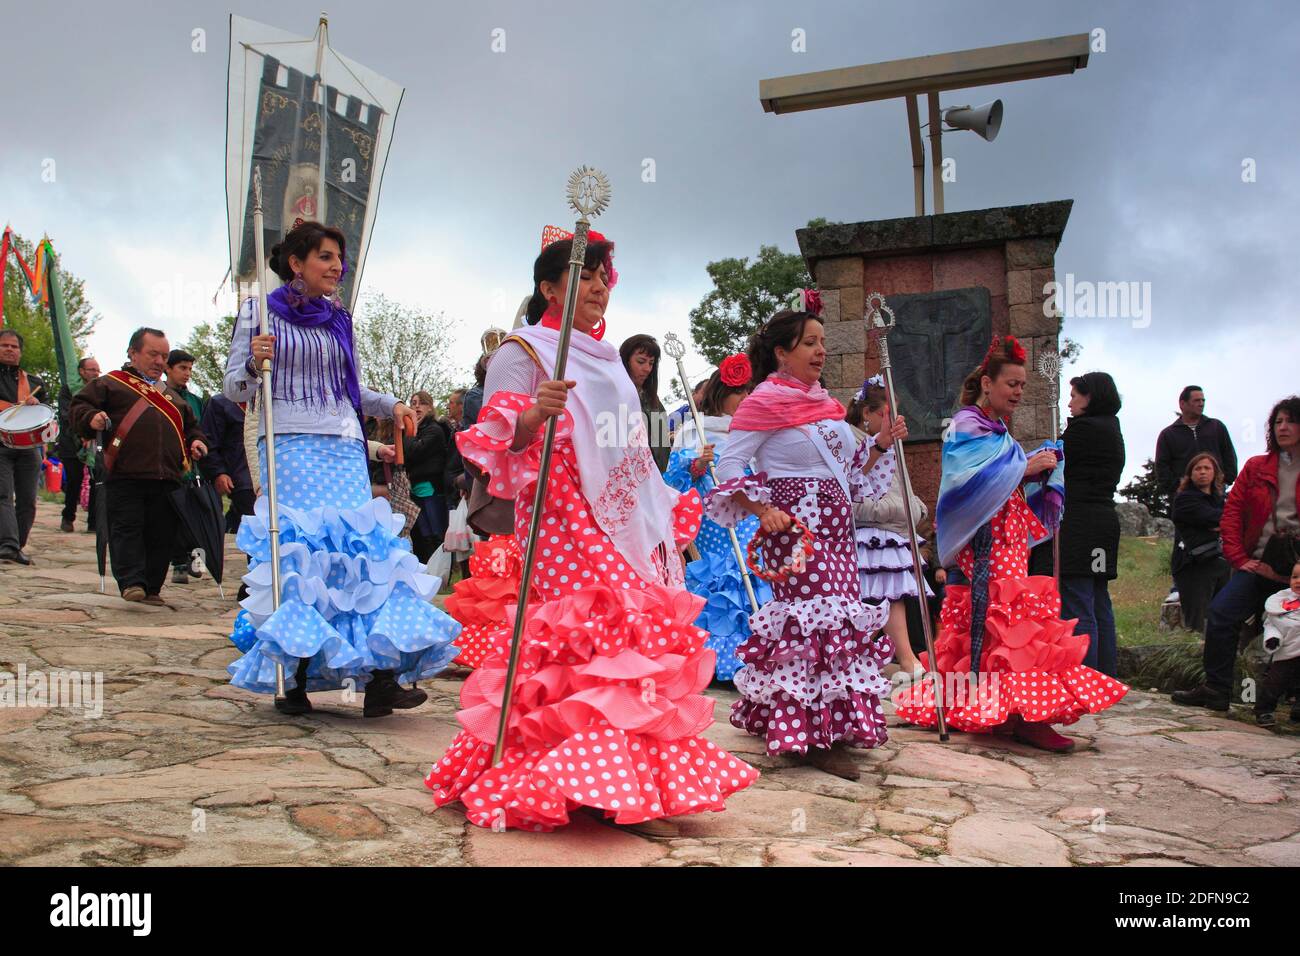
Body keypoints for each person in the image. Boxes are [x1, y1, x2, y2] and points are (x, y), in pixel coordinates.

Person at [425, 231, 757, 833]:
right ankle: (561, 778)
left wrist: (655, 507)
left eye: (606, 277)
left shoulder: (606, 361)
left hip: (615, 515)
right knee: (569, 637)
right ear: (550, 288)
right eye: (588, 276)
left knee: (618, 634)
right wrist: (531, 414)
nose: (600, 287)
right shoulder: (523, 350)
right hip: (554, 511)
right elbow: (493, 442)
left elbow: (627, 449)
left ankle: (618, 783)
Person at [222, 220, 460, 717]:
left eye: (339, 259)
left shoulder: (338, 319)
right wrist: (250, 366)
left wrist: (392, 403)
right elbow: (235, 392)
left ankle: (381, 678)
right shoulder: (259, 314)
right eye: (326, 257)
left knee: (366, 554)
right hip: (287, 439)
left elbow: (351, 390)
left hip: (344, 446)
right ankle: (298, 673)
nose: (337, 267)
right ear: (296, 263)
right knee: (304, 555)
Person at [892, 335, 1128, 750]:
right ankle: (1023, 717)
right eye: (1012, 384)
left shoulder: (995, 429)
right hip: (986, 542)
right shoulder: (966, 425)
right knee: (1007, 621)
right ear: (987, 383)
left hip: (1007, 538)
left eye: (1022, 385)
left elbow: (1000, 476)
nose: (1019, 392)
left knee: (1002, 621)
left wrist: (1035, 470)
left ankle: (993, 707)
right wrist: (1025, 466)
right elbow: (966, 483)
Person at [707, 306, 902, 779]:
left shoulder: (828, 406)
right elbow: (730, 466)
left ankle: (823, 723)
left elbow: (853, 475)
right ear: (781, 352)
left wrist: (879, 443)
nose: (821, 351)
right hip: (795, 529)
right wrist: (762, 509)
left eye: (822, 341)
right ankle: (809, 735)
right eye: (810, 342)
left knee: (835, 625)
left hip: (837, 527)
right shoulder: (762, 403)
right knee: (811, 628)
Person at [1173, 396, 1300, 711]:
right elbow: (1231, 513)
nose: (1282, 427)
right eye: (1277, 421)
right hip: (1255, 566)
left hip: (1296, 573)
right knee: (1221, 613)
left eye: (1290, 421)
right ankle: (1216, 689)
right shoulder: (1256, 467)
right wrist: (1240, 559)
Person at [71, 327, 208, 603]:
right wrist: (91, 418)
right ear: (133, 353)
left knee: (162, 533)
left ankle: (152, 587)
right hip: (125, 473)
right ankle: (132, 582)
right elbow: (79, 406)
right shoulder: (111, 383)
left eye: (164, 356)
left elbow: (192, 428)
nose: (159, 361)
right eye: (153, 354)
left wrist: (196, 441)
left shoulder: (173, 397)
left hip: (169, 476)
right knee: (127, 527)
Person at [664, 356, 771, 682]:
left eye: (750, 393)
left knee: (753, 579)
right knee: (721, 583)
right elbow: (673, 485)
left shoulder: (752, 434)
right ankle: (721, 661)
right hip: (713, 524)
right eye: (740, 393)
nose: (746, 400)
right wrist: (696, 465)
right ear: (721, 392)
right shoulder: (694, 431)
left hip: (750, 521)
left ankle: (759, 657)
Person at [847, 375, 932, 678]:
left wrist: (914, 505)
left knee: (889, 593)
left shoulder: (890, 444)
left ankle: (884, 659)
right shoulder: (853, 439)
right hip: (870, 527)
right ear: (866, 413)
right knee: (877, 595)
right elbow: (853, 478)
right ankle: (897, 659)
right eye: (884, 413)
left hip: (889, 525)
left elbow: (899, 485)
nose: (891, 419)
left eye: (894, 413)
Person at [1057, 371, 1126, 677]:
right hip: (1103, 523)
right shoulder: (1112, 429)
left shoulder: (1082, 431)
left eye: (1074, 395)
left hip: (1080, 523)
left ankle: (1086, 676)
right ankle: (1105, 674)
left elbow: (1054, 459)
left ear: (1091, 396)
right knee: (1099, 600)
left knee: (1079, 601)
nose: (1069, 402)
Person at [0, 329, 49, 565]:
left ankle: (16, 545)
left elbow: (47, 416)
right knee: (3, 495)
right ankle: (8, 545)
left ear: (20, 351)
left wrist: (37, 404)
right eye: (4, 345)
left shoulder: (34, 382)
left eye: (14, 346)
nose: (9, 349)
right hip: (0, 445)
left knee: (28, 499)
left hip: (28, 448)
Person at [1170, 452, 1232, 634]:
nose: (1202, 472)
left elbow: (1228, 521)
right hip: (1193, 567)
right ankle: (1195, 659)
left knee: (1222, 615)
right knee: (1197, 622)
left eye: (1207, 468)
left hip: (1220, 563)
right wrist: (1219, 523)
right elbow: (1216, 519)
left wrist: (1219, 524)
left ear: (1215, 473)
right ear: (1190, 473)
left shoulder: (1219, 499)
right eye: (1198, 468)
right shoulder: (1184, 499)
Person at [1156, 385, 1238, 509]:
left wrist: (1224, 481)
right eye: (1196, 401)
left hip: (1215, 497)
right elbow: (1162, 467)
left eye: (1203, 400)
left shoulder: (1216, 427)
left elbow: (1229, 455)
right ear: (1183, 404)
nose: (1201, 404)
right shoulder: (1168, 435)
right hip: (1184, 501)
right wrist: (1178, 486)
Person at [197, 394, 255, 535]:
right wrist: (218, 472)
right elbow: (209, 441)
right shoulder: (220, 403)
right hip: (241, 479)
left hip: (270, 476)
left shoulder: (267, 401)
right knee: (256, 528)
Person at [404, 390, 450, 564]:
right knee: (425, 534)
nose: (416, 407)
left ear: (430, 407)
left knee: (437, 533)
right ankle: (430, 569)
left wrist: (409, 435)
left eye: (420, 403)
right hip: (416, 487)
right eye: (413, 403)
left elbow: (414, 452)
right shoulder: (418, 429)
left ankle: (442, 570)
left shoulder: (434, 429)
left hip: (432, 488)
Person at [56, 356, 101, 534]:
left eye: (98, 370)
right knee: (74, 480)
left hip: (95, 443)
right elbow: (66, 415)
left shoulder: (100, 390)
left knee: (96, 479)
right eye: (92, 370)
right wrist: (82, 431)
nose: (96, 373)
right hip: (71, 443)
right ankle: (68, 516)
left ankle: (93, 522)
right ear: (82, 372)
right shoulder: (68, 390)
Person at [619, 333, 670, 473]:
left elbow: (662, 446)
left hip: (656, 478)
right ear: (625, 360)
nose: (647, 369)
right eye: (641, 362)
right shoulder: (613, 395)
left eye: (651, 363)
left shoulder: (654, 401)